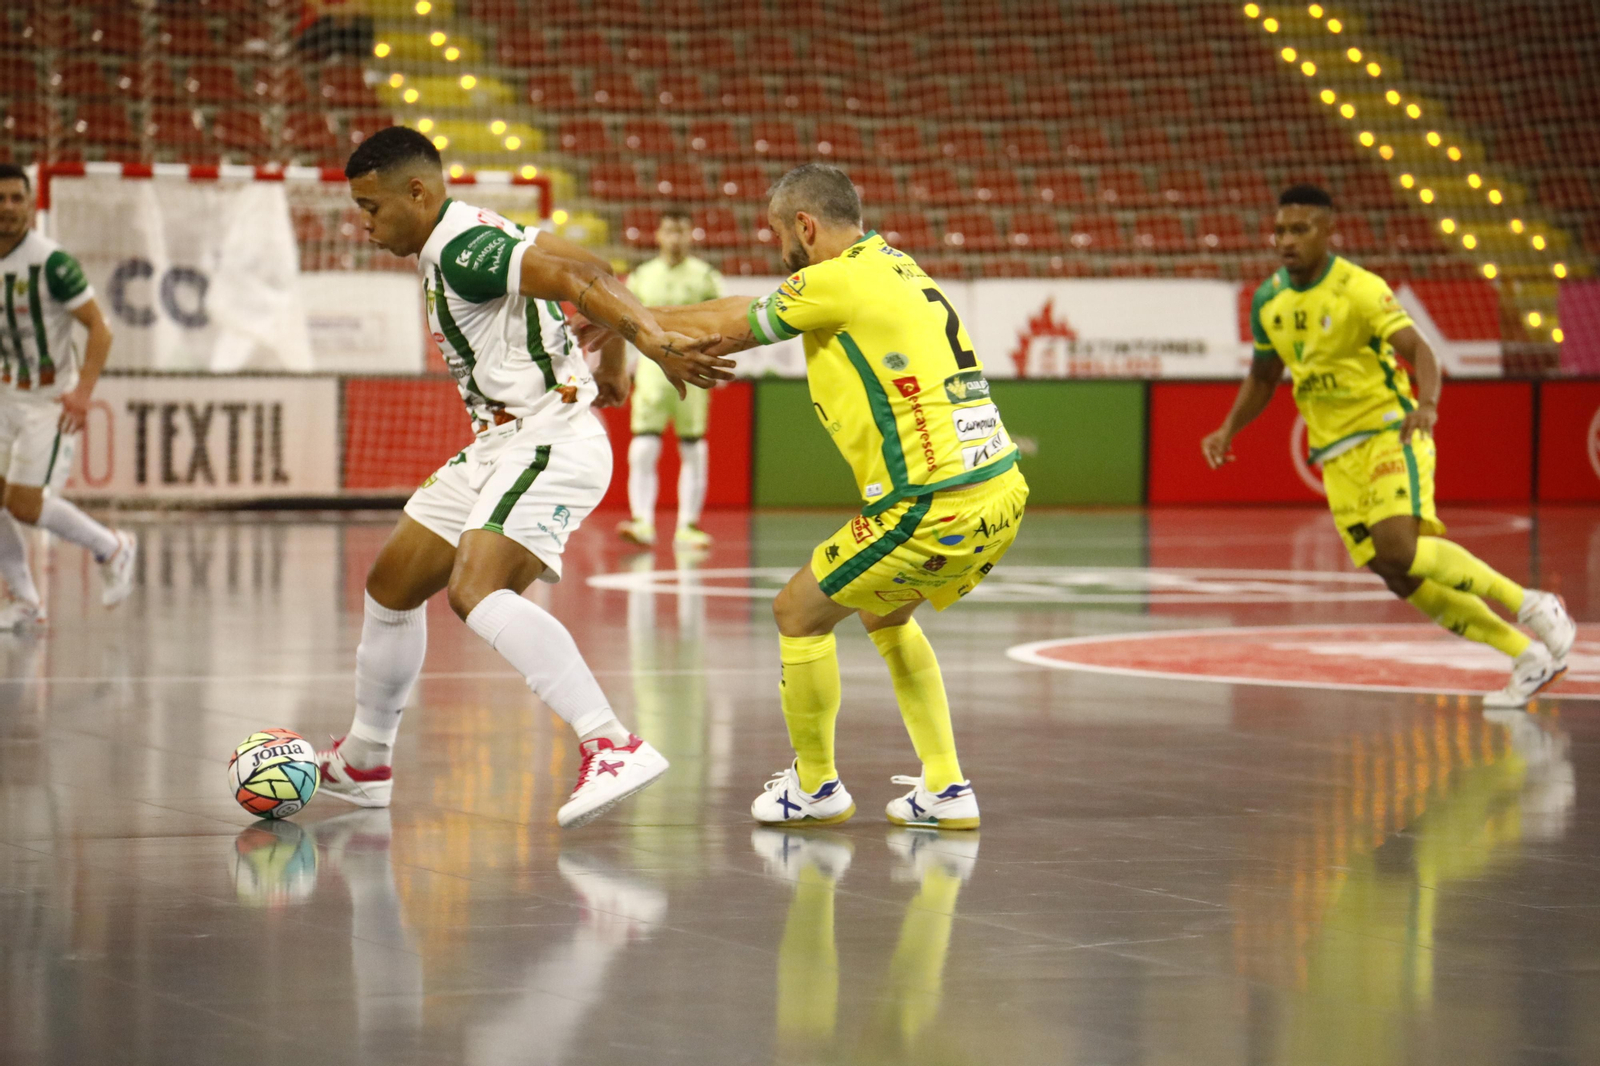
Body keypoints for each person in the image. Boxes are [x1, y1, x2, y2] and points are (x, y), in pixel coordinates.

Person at [580, 163, 1027, 830]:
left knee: (797, 612)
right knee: (887, 616)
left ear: (806, 227)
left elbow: (729, 322)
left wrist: (616, 314)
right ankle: (946, 788)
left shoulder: (835, 278)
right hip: (1001, 490)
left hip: (932, 503)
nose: (776, 249)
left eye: (776, 234)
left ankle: (815, 789)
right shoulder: (895, 265)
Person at [314, 127, 731, 827]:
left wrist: (651, 342)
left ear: (417, 191)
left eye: (371, 207)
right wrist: (618, 357)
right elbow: (593, 263)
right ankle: (364, 760)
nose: (364, 223)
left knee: (475, 590)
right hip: (502, 443)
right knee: (391, 584)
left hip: (551, 440)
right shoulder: (475, 228)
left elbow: (580, 278)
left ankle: (611, 742)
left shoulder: (463, 248)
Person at [1202, 184, 1574, 708]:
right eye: (1281, 229)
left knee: (1398, 545)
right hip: (1334, 455)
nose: (1286, 239)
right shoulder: (1269, 299)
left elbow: (1420, 349)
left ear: (1329, 231)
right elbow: (1265, 376)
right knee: (1395, 574)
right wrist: (1228, 428)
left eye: (1300, 229)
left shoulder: (1359, 288)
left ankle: (1535, 604)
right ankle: (1524, 655)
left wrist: (1428, 404)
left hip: (1388, 432)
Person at [0, 163, 136, 630]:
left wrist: (82, 393)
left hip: (47, 401)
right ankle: (24, 601)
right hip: (4, 393)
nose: (9, 209)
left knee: (24, 505)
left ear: (31, 204)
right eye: (0, 199)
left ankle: (113, 547)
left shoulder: (51, 263)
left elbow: (100, 327)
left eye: (17, 199)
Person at [617, 207, 726, 550]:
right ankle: (642, 522)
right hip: (651, 372)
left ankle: (688, 526)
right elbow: (625, 323)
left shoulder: (706, 276)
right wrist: (623, 366)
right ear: (658, 235)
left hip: (692, 371)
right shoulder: (641, 276)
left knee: (694, 448)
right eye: (669, 231)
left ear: (691, 235)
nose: (675, 239)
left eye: (681, 231)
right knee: (643, 446)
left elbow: (723, 320)